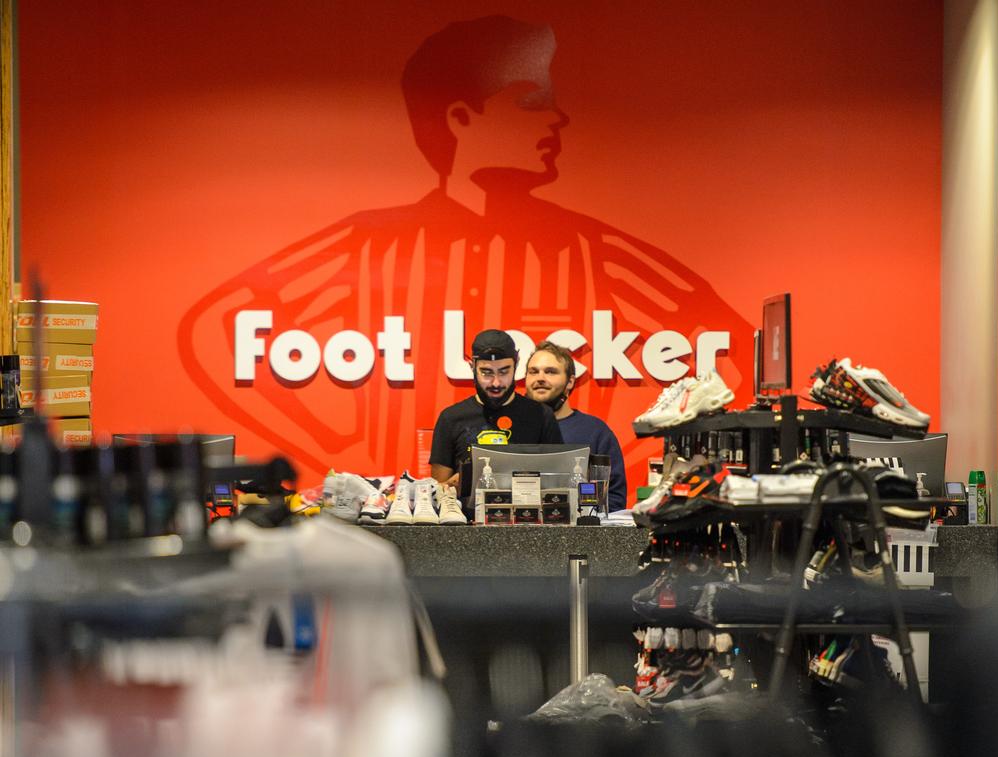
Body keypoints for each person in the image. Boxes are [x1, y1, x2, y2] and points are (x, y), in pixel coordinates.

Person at [180, 15, 753, 485]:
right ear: (461, 117)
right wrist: (340, 443)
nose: (559, 117)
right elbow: (213, 325)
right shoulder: (372, 240)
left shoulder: (591, 247)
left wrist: (626, 451)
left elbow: (732, 350)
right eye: (533, 103)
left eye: (510, 367)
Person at [429, 329, 562, 485]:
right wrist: (460, 482)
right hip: (465, 510)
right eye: (487, 373)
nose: (496, 383)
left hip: (524, 508)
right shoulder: (451, 418)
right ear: (472, 367)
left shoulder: (540, 415)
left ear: (516, 365)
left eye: (504, 372)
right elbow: (438, 492)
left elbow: (558, 481)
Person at [525, 341, 627, 511]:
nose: (540, 378)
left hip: (581, 535)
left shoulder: (596, 432)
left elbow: (613, 499)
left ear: (570, 381)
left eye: (551, 372)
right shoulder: (514, 428)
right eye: (533, 372)